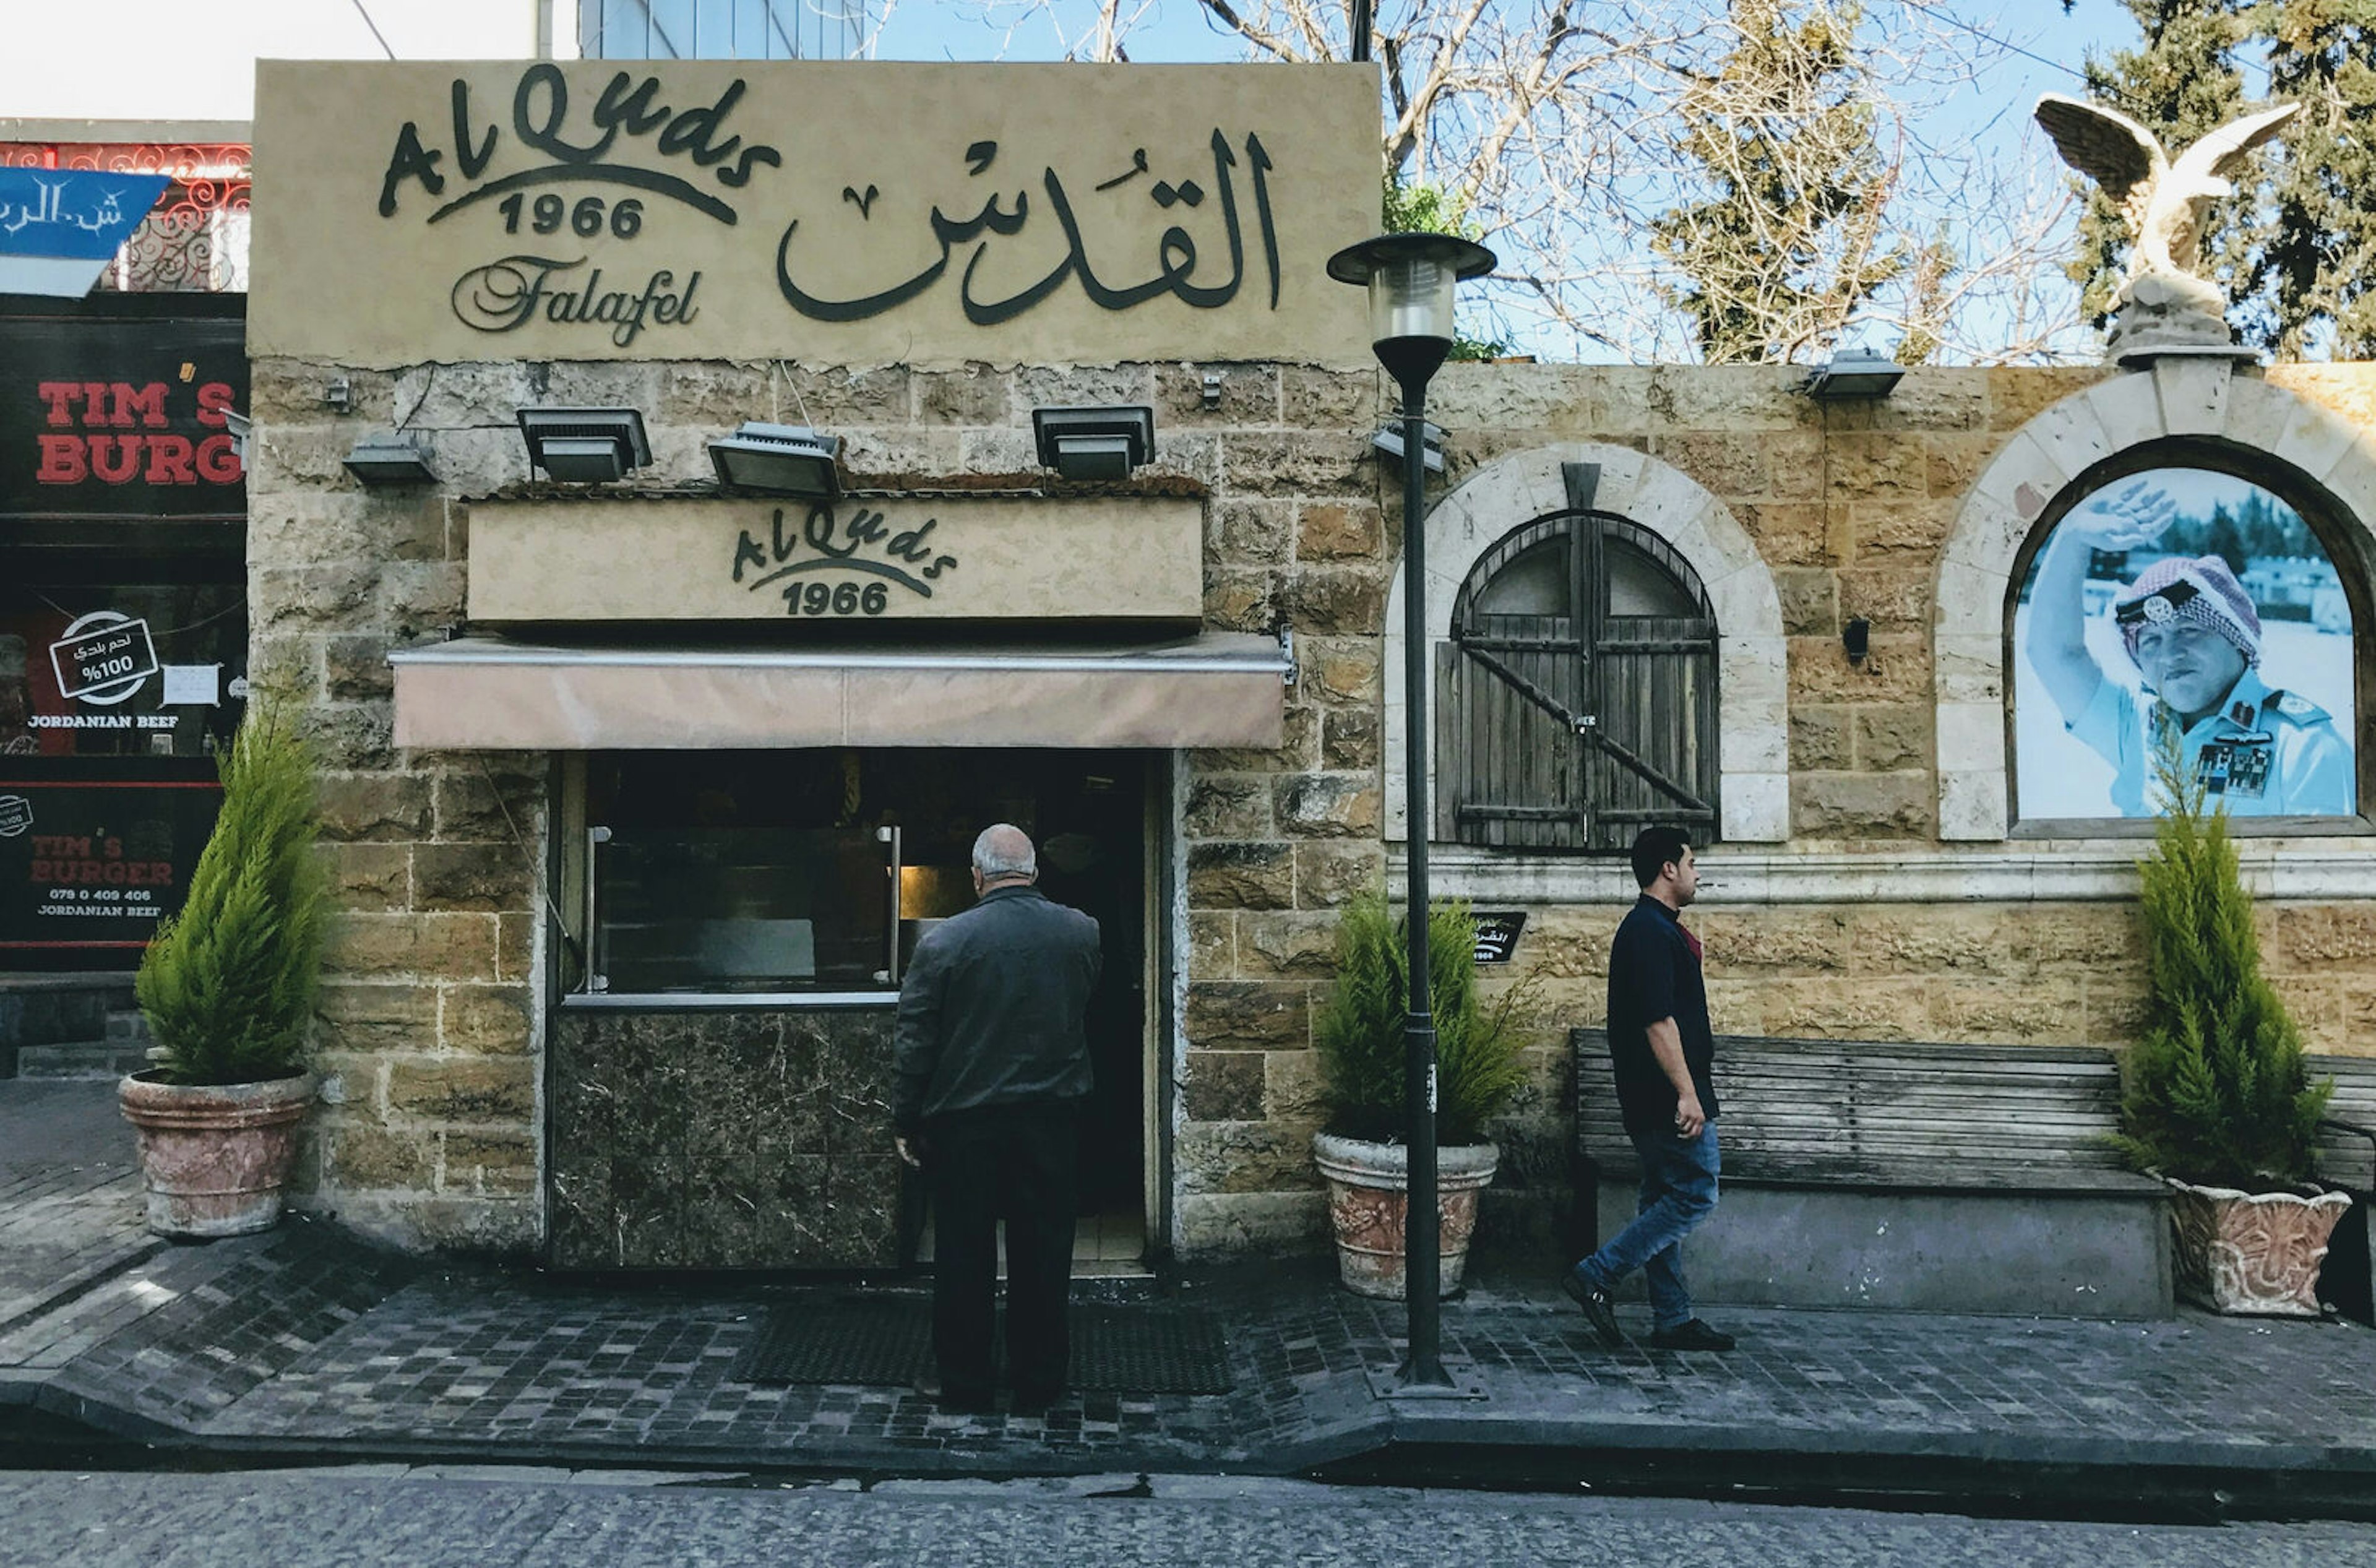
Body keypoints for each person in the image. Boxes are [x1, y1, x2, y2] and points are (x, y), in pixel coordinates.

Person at [893, 823, 1102, 1413]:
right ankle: (1039, 1381)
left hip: (966, 1124)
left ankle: (964, 1381)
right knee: (1044, 1251)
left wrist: (906, 1120)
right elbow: (1084, 1004)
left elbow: (916, 1041)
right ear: (1034, 873)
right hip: (1051, 1118)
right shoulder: (1081, 932)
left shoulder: (945, 943)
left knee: (964, 1254)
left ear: (977, 877)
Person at [2025, 506, 2352, 817]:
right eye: (2151, 640)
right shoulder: (2134, 728)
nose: (2170, 654)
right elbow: (2055, 653)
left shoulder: (2305, 747)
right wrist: (2072, 537)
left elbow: (2324, 874)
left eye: (2189, 630)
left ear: (2236, 637)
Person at [1561, 825, 1732, 1353]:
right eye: (1691, 862)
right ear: (1668, 869)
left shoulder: (1655, 929)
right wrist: (1687, 1093)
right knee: (1695, 1193)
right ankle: (1598, 1273)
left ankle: (1673, 1318)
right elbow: (1658, 1023)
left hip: (1659, 1094)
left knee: (1662, 1196)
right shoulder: (1648, 933)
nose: (1698, 872)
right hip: (1664, 1097)